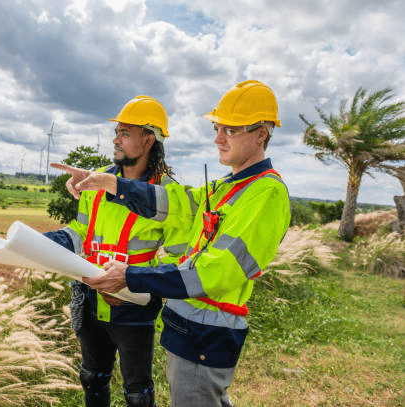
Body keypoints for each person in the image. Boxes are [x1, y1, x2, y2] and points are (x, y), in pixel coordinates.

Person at [55, 80, 291, 406]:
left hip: (206, 335)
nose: (218, 138)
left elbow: (215, 272)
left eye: (231, 130)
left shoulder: (266, 193)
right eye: (218, 127)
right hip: (186, 328)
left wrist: (131, 278)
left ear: (261, 133)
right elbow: (176, 204)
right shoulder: (227, 187)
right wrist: (110, 182)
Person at [45, 96, 191, 407]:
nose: (115, 139)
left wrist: (133, 283)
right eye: (117, 131)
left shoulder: (168, 196)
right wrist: (44, 243)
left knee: (138, 392)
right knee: (92, 377)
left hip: (134, 307)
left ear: (148, 139)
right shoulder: (95, 181)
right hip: (90, 299)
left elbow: (182, 262)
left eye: (125, 132)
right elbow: (80, 234)